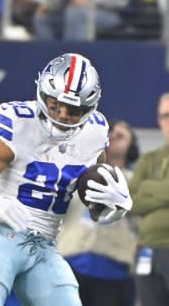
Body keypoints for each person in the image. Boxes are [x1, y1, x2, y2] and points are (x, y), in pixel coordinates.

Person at [0, 53, 134, 305]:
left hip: (44, 246)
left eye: (74, 110)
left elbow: (92, 201)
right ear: (42, 93)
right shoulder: (20, 123)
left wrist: (114, 209)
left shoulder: (94, 133)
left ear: (90, 109)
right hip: (1, 236)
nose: (63, 115)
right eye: (56, 104)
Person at [57, 120, 139, 306]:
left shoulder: (135, 182)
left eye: (121, 136)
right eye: (111, 133)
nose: (113, 137)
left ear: (131, 147)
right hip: (69, 264)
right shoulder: (77, 174)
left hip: (112, 270)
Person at [129, 93, 169, 306]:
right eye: (164, 116)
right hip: (146, 249)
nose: (168, 121)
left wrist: (147, 186)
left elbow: (139, 192)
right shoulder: (149, 158)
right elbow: (130, 202)